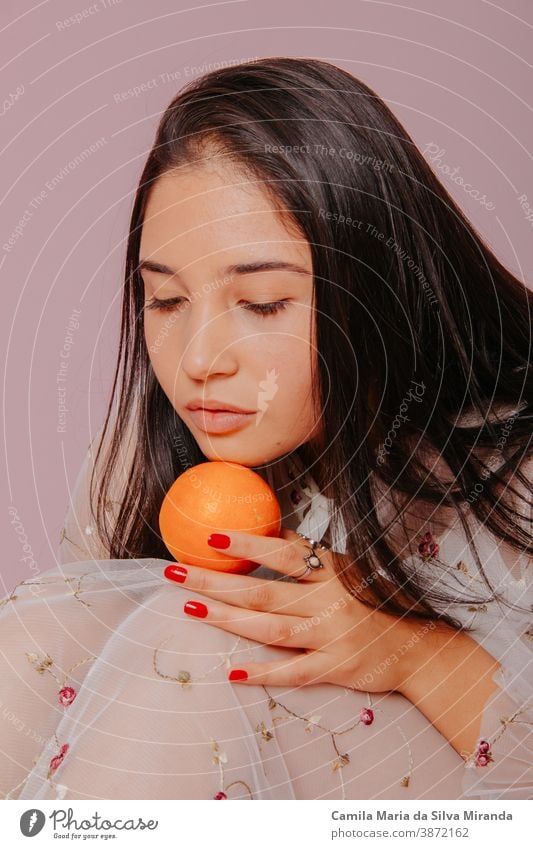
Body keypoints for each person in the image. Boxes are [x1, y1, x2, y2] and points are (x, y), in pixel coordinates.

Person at [1, 57, 531, 801]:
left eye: (260, 303)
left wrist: (408, 652)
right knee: (41, 629)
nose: (197, 361)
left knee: (189, 638)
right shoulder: (141, 464)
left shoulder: (510, 460)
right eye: (165, 299)